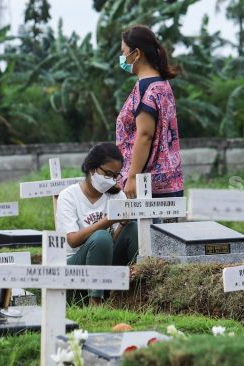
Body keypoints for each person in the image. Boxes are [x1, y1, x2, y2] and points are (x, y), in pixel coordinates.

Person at [55, 143, 138, 306]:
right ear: (92, 168)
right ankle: (95, 302)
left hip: (103, 261)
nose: (111, 180)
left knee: (132, 228)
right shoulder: (69, 196)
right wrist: (106, 222)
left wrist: (121, 224)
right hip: (75, 262)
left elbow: (112, 241)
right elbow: (72, 240)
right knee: (101, 237)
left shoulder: (117, 196)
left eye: (115, 176)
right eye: (107, 173)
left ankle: (137, 291)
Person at [116, 25, 184, 209]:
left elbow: (145, 136)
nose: (122, 58)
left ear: (136, 54)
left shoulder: (146, 88)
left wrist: (132, 177)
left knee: (145, 237)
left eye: (124, 52)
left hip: (146, 187)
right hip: (170, 181)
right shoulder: (163, 84)